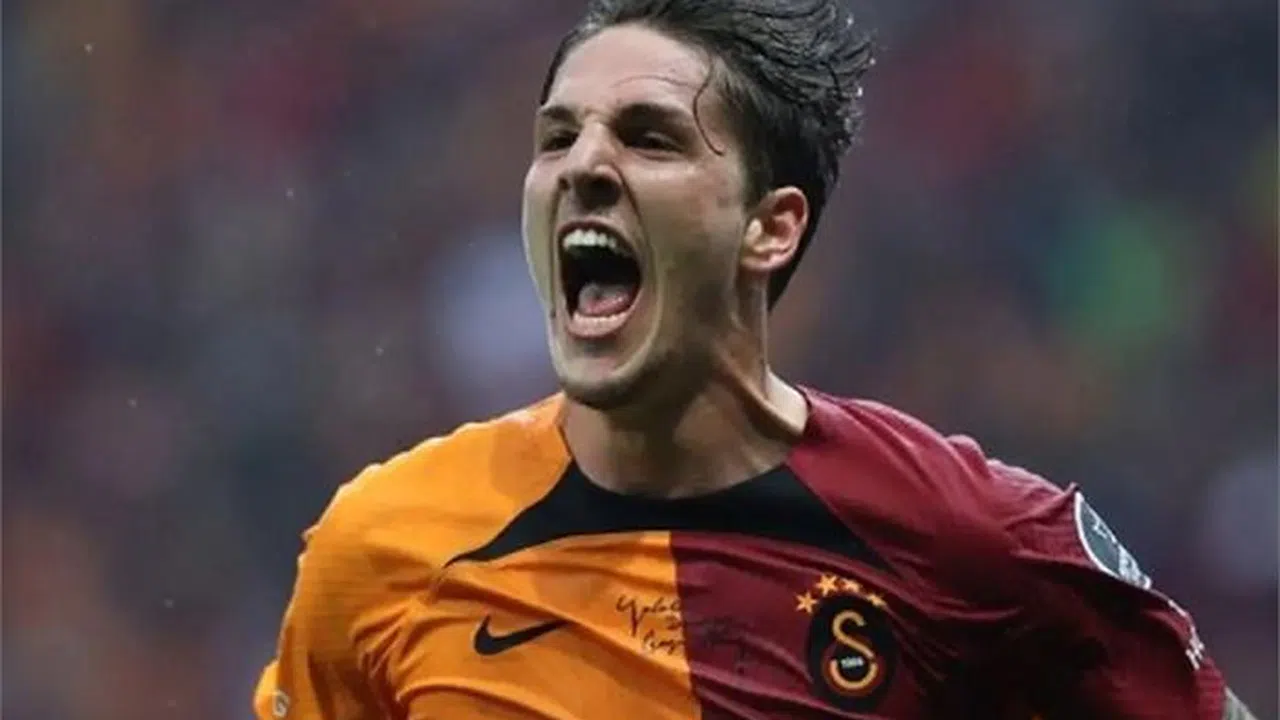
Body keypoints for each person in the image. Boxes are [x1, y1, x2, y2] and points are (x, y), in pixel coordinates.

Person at [254, 1, 1256, 717]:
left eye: (649, 138)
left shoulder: (958, 536)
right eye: (557, 138)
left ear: (770, 227)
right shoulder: (381, 553)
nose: (584, 165)